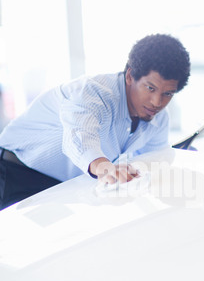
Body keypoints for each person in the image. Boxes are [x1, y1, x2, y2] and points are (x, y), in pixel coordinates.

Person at [0, 34, 190, 210]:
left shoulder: (159, 120)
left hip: (66, 187)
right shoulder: (92, 92)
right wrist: (105, 168)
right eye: (150, 88)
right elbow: (79, 137)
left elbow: (154, 161)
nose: (157, 102)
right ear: (130, 76)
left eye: (167, 94)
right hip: (14, 172)